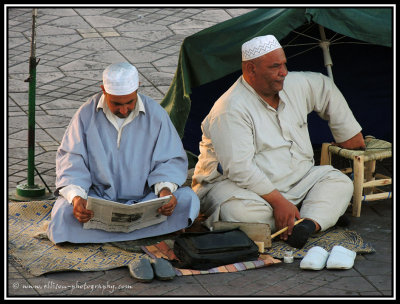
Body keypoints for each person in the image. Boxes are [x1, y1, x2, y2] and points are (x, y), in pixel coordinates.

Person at [191, 35, 366, 248]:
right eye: (275, 66)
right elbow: (239, 169)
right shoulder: (229, 109)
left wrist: (347, 133)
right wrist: (278, 201)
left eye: (284, 64)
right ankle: (316, 217)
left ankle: (305, 225)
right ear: (251, 69)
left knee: (339, 182)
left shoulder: (292, 84)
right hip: (242, 189)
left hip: (298, 180)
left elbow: (323, 86)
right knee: (238, 211)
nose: (283, 72)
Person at [47, 62, 200, 244]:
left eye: (130, 102)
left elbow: (170, 159)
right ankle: (151, 232)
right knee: (64, 211)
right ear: (104, 90)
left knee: (188, 200)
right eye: (116, 104)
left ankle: (98, 236)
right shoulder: (85, 115)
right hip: (98, 202)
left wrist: (165, 192)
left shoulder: (156, 115)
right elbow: (72, 159)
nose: (124, 110)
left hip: (145, 202)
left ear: (138, 89)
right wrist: (77, 198)